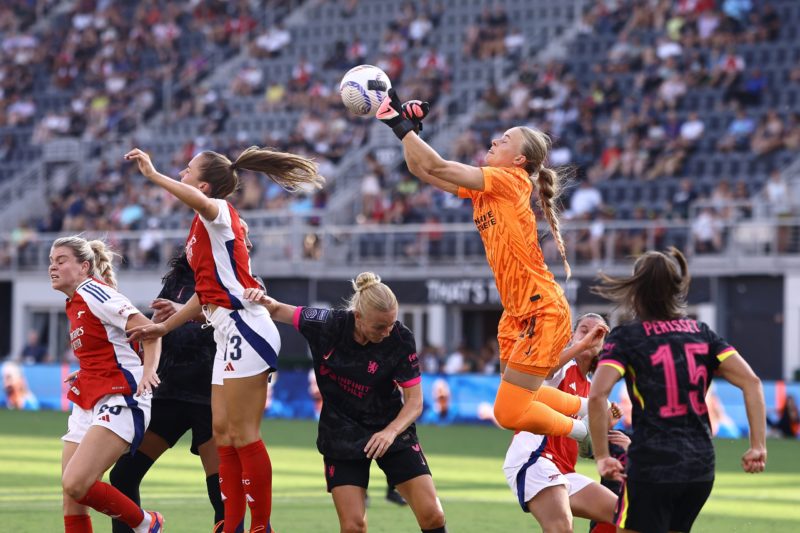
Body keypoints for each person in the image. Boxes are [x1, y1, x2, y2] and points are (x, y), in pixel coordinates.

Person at [376, 89, 599, 443]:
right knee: (524, 396)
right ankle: (586, 408)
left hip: (540, 306)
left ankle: (583, 431)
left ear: (519, 159)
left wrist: (399, 124)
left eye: (506, 139)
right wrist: (406, 129)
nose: (495, 140)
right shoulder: (486, 188)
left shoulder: (510, 181)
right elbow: (422, 169)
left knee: (507, 412)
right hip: (517, 311)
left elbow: (437, 165)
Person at [124, 145, 324, 533]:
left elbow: (200, 203)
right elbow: (206, 293)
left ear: (203, 185)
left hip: (247, 327)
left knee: (243, 434)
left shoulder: (219, 212)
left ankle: (260, 526)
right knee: (222, 435)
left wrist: (153, 175)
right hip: (226, 328)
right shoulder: (202, 227)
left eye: (187, 169)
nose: (181, 172)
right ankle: (230, 524)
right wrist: (165, 327)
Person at [243, 272, 447, 533]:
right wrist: (257, 297)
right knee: (354, 526)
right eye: (379, 327)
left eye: (391, 324)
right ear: (358, 317)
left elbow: (415, 402)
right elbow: (277, 309)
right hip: (341, 432)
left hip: (390, 428)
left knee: (433, 515)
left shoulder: (400, 337)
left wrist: (390, 432)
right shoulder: (327, 324)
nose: (387, 332)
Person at [588, 248, 767, 533]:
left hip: (652, 465)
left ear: (636, 289)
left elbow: (597, 394)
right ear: (676, 289)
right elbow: (752, 382)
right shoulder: (701, 332)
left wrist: (602, 456)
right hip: (700, 466)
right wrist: (758, 446)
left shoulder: (627, 337)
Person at [50, 236, 163, 533]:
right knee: (72, 497)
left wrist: (149, 370)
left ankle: (146, 523)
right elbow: (108, 349)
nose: (53, 266)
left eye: (61, 260)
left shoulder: (94, 292)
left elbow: (149, 331)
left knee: (76, 482)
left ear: (84, 266)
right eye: (51, 261)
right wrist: (87, 371)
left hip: (122, 397)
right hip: (90, 396)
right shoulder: (73, 302)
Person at [109, 249, 224, 533]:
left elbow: (238, 327)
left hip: (212, 398)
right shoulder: (177, 280)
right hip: (168, 393)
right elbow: (156, 329)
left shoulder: (241, 278)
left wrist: (185, 314)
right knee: (123, 476)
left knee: (222, 495)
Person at [503, 313, 625, 533]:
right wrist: (582, 345)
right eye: (584, 330)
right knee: (561, 527)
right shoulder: (562, 365)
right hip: (533, 459)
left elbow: (586, 447)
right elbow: (543, 370)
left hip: (564, 471)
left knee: (622, 514)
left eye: (597, 333)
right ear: (572, 336)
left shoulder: (594, 391)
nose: (589, 336)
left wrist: (606, 425)